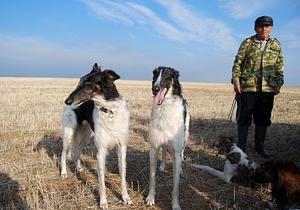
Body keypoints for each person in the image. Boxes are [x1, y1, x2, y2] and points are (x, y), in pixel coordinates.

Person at [231, 16, 284, 158]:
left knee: (263, 119)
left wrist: (279, 82)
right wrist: (236, 81)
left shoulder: (276, 45)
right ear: (255, 28)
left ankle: (259, 147)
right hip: (248, 87)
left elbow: (279, 66)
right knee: (244, 118)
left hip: (267, 89)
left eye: (267, 26)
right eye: (261, 26)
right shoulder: (247, 43)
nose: (264, 29)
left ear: (271, 28)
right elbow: (237, 63)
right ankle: (241, 147)